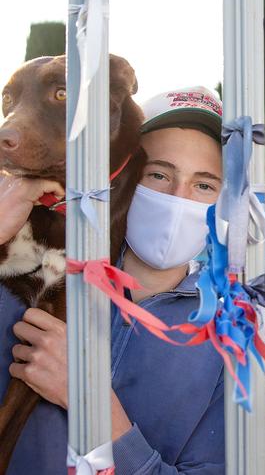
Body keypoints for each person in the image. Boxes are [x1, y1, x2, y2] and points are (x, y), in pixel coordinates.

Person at [1, 86, 227, 474]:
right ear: (123, 174)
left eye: (204, 185)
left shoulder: (226, 341)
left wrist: (94, 404)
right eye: (158, 174)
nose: (178, 197)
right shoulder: (31, 280)